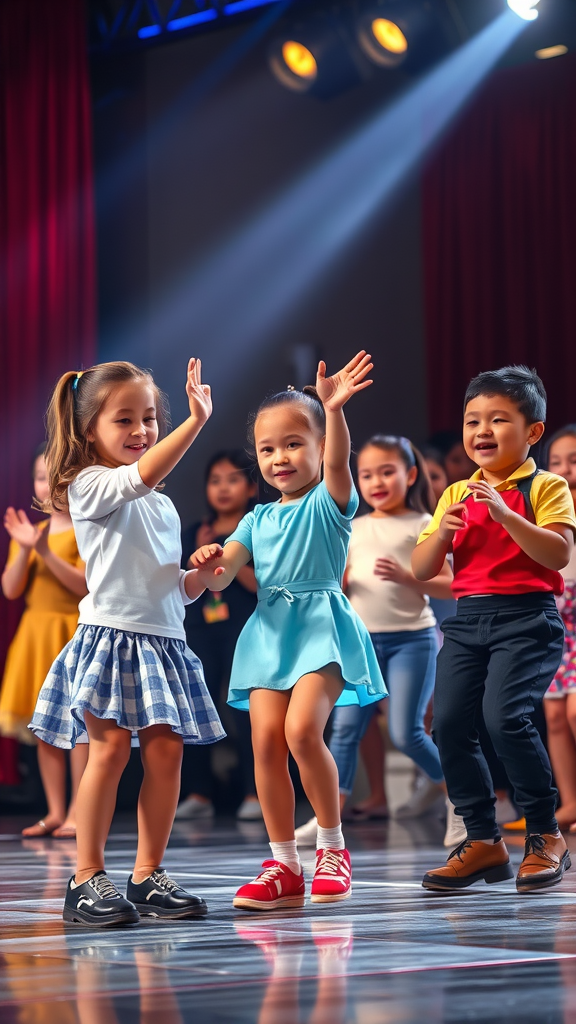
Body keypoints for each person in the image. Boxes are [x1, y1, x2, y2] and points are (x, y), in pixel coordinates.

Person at [29, 359, 225, 926]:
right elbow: (138, 477)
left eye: (149, 419)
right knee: (110, 751)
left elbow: (173, 590)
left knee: (166, 754)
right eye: (125, 420)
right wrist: (196, 423)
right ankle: (86, 877)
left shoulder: (162, 505)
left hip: (162, 640)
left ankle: (147, 875)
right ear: (90, 429)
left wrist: (200, 575)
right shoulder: (87, 485)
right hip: (110, 638)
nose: (141, 431)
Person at [191, 352, 387, 910]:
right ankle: (283, 864)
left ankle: (332, 848)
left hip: (322, 626)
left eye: (295, 443)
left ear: (320, 448)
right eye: (267, 448)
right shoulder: (255, 519)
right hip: (268, 633)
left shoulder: (330, 502)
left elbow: (343, 466)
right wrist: (211, 562)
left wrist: (334, 410)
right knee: (263, 745)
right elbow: (224, 575)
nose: (280, 457)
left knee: (304, 732)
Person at [414, 366, 576, 894]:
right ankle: (482, 840)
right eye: (472, 420)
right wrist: (443, 536)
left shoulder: (546, 486)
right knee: (450, 724)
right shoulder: (456, 491)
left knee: (505, 718)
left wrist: (507, 515)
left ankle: (545, 834)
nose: (481, 430)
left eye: (498, 419)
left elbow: (557, 552)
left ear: (533, 431)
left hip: (528, 618)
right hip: (469, 619)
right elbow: (421, 568)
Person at [296, 436, 464, 849]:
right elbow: (333, 583)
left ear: (409, 476)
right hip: (359, 643)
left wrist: (409, 577)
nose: (376, 482)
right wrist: (342, 582)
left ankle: (462, 801)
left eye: (387, 472)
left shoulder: (424, 523)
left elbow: (451, 586)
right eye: (367, 474)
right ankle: (325, 821)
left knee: (407, 732)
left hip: (413, 640)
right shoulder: (352, 526)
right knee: (345, 730)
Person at [1, 446, 88, 838]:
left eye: (58, 476)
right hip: (36, 636)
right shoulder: (29, 534)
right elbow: (11, 588)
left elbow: (85, 584)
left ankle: (78, 811)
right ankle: (54, 811)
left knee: (79, 729)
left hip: (74, 632)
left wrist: (44, 553)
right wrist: (26, 549)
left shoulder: (88, 528)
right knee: (46, 729)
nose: (49, 485)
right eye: (40, 476)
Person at [176, 449, 261, 821]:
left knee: (245, 710)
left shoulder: (257, 529)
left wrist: (228, 559)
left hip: (244, 628)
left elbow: (262, 586)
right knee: (196, 706)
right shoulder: (196, 532)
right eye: (215, 481)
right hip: (199, 629)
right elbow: (179, 583)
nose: (223, 488)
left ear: (251, 487)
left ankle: (254, 793)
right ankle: (199, 792)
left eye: (232, 480)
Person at [542, 427, 576, 830]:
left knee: (572, 712)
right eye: (556, 463)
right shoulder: (547, 505)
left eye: (574, 461)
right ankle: (569, 801)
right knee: (552, 716)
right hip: (555, 628)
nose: (565, 470)